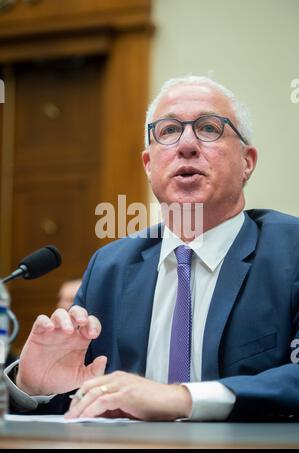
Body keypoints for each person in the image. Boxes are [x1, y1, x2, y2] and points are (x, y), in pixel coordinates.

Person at [5, 75, 299, 421]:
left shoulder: (289, 252)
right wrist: (36, 387)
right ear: (148, 165)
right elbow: (79, 410)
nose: (186, 144)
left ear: (246, 161)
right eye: (169, 131)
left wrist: (181, 398)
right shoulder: (110, 267)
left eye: (208, 128)